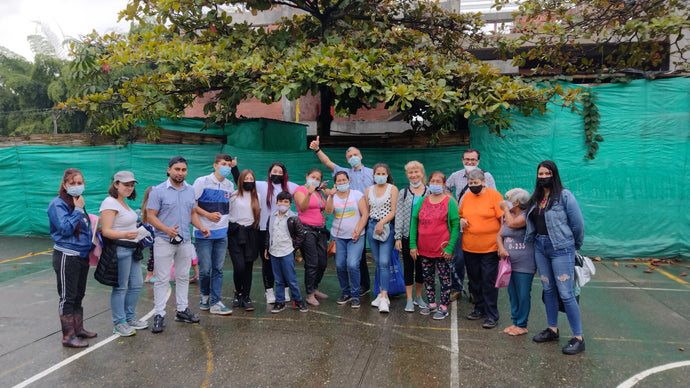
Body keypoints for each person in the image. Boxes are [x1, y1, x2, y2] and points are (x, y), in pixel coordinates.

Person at [525, 160, 585, 355]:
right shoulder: (537, 197)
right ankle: (552, 329)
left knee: (566, 293)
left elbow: (578, 224)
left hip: (562, 248)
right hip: (540, 247)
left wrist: (574, 246)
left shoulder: (565, 196)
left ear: (554, 174)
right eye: (540, 174)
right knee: (548, 289)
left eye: (546, 174)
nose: (543, 177)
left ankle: (578, 338)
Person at [146, 156, 210, 333]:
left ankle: (182, 310)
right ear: (169, 170)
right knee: (162, 279)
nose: (180, 173)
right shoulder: (158, 191)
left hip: (185, 241)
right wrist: (166, 229)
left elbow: (192, 214)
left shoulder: (190, 191)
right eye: (177, 169)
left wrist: (201, 227)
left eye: (183, 170)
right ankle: (159, 314)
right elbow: (151, 216)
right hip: (163, 240)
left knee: (183, 276)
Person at [310, 136, 372, 296]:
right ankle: (361, 286)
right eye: (349, 156)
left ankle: (375, 287)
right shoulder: (344, 174)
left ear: (361, 156)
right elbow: (328, 162)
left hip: (370, 217)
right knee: (356, 258)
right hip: (349, 220)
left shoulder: (372, 173)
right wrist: (317, 149)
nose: (353, 158)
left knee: (367, 256)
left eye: (355, 155)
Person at [47, 168, 97, 347]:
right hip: (66, 256)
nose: (77, 186)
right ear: (64, 185)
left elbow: (83, 228)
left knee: (78, 294)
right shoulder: (58, 204)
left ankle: (78, 329)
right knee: (67, 297)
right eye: (72, 183)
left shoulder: (78, 202)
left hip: (81, 256)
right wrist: (77, 210)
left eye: (79, 183)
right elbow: (65, 228)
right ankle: (68, 336)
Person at [99, 171, 149, 336]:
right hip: (119, 250)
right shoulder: (109, 203)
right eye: (126, 184)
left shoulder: (123, 203)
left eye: (132, 184)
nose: (129, 187)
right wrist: (125, 235)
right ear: (116, 184)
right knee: (120, 288)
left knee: (136, 284)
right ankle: (119, 322)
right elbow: (106, 231)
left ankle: (130, 317)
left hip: (132, 249)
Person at [446, 148, 497, 302]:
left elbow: (493, 199)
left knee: (477, 262)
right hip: (461, 226)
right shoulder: (455, 175)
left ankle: (476, 290)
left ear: (478, 161)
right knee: (459, 259)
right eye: (467, 159)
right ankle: (456, 288)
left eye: (473, 160)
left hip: (481, 228)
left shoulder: (487, 176)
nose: (470, 162)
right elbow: (446, 188)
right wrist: (454, 203)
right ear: (462, 160)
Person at [409, 171, 460, 320]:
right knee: (428, 277)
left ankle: (443, 306)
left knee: (444, 278)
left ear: (444, 185)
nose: (435, 184)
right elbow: (414, 222)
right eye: (433, 181)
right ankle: (431, 304)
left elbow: (456, 225)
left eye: (439, 182)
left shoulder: (449, 202)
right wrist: (413, 245)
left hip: (442, 250)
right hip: (424, 249)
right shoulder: (422, 201)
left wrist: (450, 247)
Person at [458, 168, 504, 329]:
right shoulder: (467, 197)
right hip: (470, 246)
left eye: (476, 183)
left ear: (484, 182)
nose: (473, 186)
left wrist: (501, 244)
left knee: (488, 281)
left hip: (490, 247)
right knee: (474, 280)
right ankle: (479, 309)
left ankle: (492, 314)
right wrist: (461, 221)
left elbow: (503, 220)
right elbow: (460, 214)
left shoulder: (494, 196)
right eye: (470, 183)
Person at [192, 153, 236, 316]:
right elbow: (192, 204)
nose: (226, 167)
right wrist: (208, 215)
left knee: (217, 269)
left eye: (229, 165)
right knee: (205, 270)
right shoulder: (202, 181)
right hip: (203, 233)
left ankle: (216, 302)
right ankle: (204, 296)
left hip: (221, 234)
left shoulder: (230, 186)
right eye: (224, 164)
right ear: (215, 165)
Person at [256, 162, 299, 304]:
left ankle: (285, 289)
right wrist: (234, 168)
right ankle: (269, 291)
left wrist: (317, 188)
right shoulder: (262, 186)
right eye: (275, 171)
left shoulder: (290, 186)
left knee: (285, 263)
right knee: (267, 262)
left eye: (280, 172)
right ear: (269, 173)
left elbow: (304, 192)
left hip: (285, 231)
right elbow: (243, 182)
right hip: (265, 230)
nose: (277, 174)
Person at [325, 171, 369, 308]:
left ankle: (355, 295)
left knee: (352, 264)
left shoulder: (357, 194)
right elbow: (328, 211)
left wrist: (358, 230)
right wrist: (331, 196)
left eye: (344, 180)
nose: (342, 182)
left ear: (348, 181)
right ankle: (346, 293)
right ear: (335, 183)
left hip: (356, 237)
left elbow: (365, 214)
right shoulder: (332, 197)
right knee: (339, 265)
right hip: (338, 237)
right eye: (339, 181)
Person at [496, 188, 535, 336]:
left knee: (523, 293)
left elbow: (512, 224)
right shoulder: (507, 216)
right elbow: (499, 235)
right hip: (508, 263)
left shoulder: (525, 216)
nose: (506, 202)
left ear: (517, 202)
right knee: (512, 293)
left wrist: (505, 209)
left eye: (509, 199)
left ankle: (522, 324)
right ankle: (515, 322)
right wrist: (500, 248)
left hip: (525, 263)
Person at [394, 161, 430, 313]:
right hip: (408, 236)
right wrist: (398, 237)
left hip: (425, 236)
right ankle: (409, 299)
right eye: (410, 172)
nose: (414, 175)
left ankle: (418, 296)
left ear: (422, 173)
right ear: (407, 174)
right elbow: (399, 215)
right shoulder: (403, 193)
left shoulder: (429, 192)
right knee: (408, 267)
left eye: (416, 172)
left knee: (422, 268)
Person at [264, 191, 308, 313]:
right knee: (278, 279)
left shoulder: (294, 217)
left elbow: (300, 235)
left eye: (286, 202)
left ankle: (298, 300)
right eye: (281, 201)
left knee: (291, 278)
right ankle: (280, 302)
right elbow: (268, 233)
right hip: (274, 251)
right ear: (277, 202)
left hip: (287, 252)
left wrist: (293, 247)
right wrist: (267, 248)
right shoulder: (271, 217)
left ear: (290, 204)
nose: (283, 204)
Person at [293, 168, 330, 306]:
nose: (315, 180)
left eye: (318, 178)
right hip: (306, 230)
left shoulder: (319, 193)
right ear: (307, 176)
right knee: (312, 262)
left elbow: (328, 210)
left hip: (321, 230)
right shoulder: (300, 190)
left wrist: (329, 195)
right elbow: (302, 208)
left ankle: (315, 288)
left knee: (322, 262)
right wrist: (308, 193)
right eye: (312, 177)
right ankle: (309, 294)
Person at [365, 163, 399, 313]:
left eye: (383, 173)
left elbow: (393, 211)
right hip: (372, 227)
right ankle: (380, 293)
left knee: (384, 262)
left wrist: (381, 223)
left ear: (387, 174)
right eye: (377, 173)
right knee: (378, 262)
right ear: (373, 175)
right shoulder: (368, 190)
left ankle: (384, 298)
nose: (380, 175)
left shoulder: (392, 189)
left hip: (386, 227)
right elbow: (367, 211)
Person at [228, 169, 262, 311]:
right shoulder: (233, 196)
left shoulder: (257, 196)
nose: (248, 181)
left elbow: (258, 215)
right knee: (239, 266)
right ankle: (238, 292)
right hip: (236, 233)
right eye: (245, 179)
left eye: (251, 179)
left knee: (248, 267)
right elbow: (228, 213)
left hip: (251, 233)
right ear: (240, 180)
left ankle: (246, 296)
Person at [141, 186, 156, 283]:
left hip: (153, 234)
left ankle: (152, 274)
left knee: (154, 255)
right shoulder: (149, 206)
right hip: (153, 234)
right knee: (154, 255)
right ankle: (149, 275)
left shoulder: (147, 205)